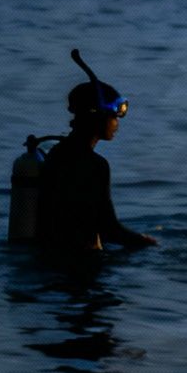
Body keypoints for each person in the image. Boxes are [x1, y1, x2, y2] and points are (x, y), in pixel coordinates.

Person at [36, 49, 157, 255]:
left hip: (48, 258)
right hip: (80, 265)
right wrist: (146, 243)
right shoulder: (94, 165)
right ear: (98, 116)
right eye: (115, 116)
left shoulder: (56, 154)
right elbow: (109, 229)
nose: (117, 124)